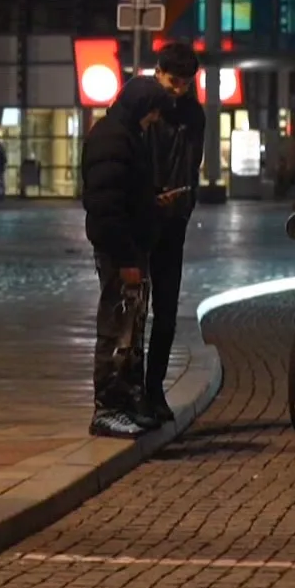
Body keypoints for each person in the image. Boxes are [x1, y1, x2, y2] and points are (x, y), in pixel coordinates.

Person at [79, 75, 182, 438]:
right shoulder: (112, 138)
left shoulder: (124, 136)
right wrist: (126, 261)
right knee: (116, 329)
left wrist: (151, 202)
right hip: (121, 254)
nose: (153, 120)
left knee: (129, 331)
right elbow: (107, 207)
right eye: (152, 113)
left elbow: (123, 196)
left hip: (132, 250)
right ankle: (107, 409)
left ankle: (124, 403)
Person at [144, 42, 206, 424]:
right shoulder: (142, 108)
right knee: (132, 313)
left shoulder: (193, 115)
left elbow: (191, 163)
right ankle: (133, 393)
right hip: (141, 219)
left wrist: (183, 202)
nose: (178, 89)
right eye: (173, 81)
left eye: (185, 83)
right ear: (158, 72)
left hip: (174, 222)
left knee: (165, 313)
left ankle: (155, 391)